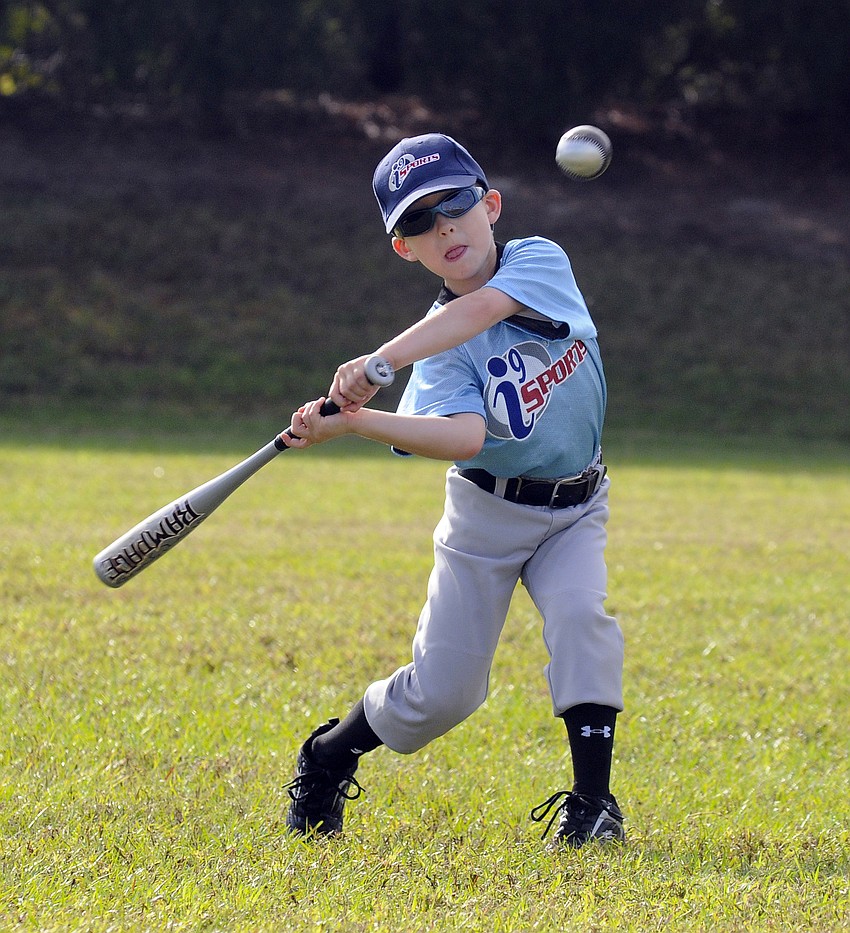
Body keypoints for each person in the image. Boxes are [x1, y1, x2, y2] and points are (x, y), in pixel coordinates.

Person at [279, 133, 626, 849]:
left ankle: (595, 806)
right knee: (445, 693)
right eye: (416, 222)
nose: (443, 227)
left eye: (455, 205)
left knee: (581, 620)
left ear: (490, 205)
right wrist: (356, 421)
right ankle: (329, 754)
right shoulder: (438, 365)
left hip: (575, 504)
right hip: (486, 517)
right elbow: (465, 439)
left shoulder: (539, 262)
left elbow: (481, 312)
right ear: (405, 249)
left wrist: (376, 364)